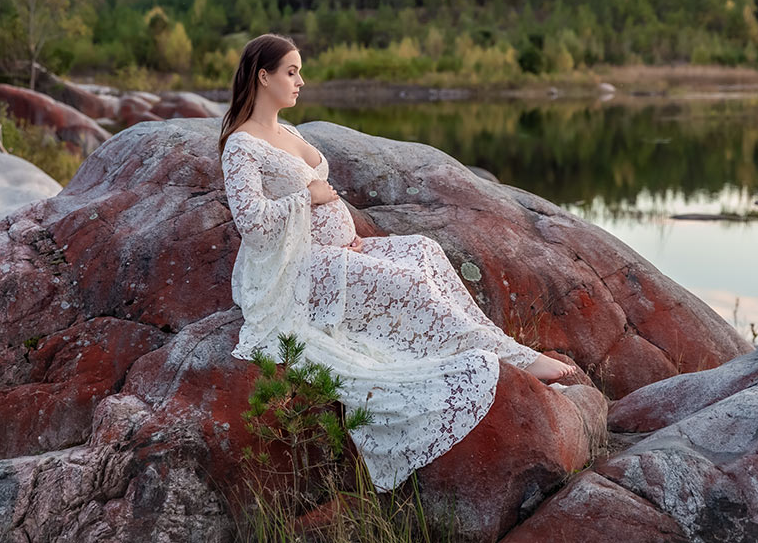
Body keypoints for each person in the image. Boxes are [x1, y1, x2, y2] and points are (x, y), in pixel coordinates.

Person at [219, 33, 579, 492]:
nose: (301, 81)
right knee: (407, 285)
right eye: (291, 72)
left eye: (300, 71)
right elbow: (252, 223)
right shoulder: (241, 147)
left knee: (424, 252)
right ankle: (514, 360)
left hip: (342, 252)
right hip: (302, 270)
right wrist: (305, 196)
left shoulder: (289, 133)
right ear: (262, 76)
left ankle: (502, 348)